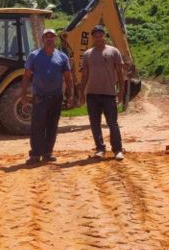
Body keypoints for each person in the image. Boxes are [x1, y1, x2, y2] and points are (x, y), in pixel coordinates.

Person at [20, 29, 74, 165]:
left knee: (52, 126)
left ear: (55, 39)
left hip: (56, 97)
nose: (49, 39)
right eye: (46, 37)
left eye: (52, 37)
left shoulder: (62, 57)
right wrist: (24, 95)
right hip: (40, 97)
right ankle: (35, 154)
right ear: (43, 39)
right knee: (37, 126)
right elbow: (26, 76)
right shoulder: (34, 56)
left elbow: (68, 78)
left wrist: (70, 95)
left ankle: (47, 153)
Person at [78, 24, 126, 160]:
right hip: (92, 94)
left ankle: (117, 150)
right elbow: (84, 76)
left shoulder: (113, 52)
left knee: (113, 123)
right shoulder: (87, 54)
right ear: (92, 38)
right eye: (96, 36)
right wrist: (81, 93)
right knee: (95, 123)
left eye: (100, 35)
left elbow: (119, 72)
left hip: (109, 94)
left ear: (104, 36)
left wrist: (121, 90)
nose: (98, 38)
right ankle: (100, 149)